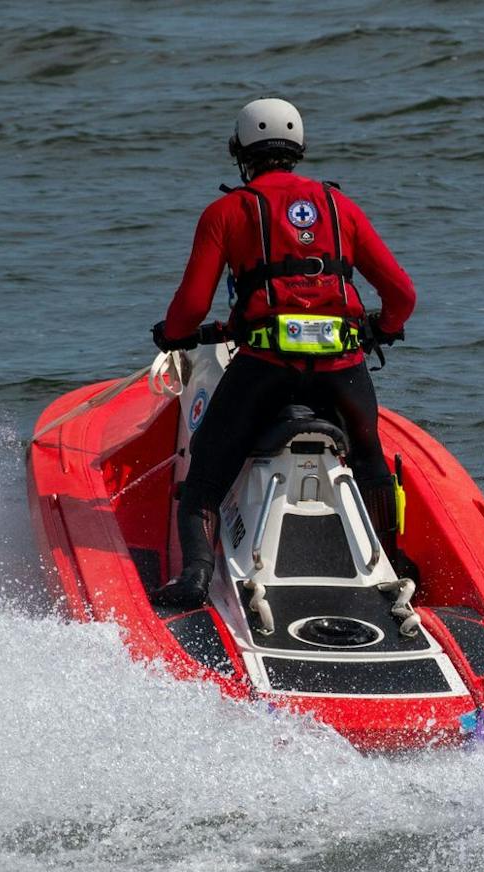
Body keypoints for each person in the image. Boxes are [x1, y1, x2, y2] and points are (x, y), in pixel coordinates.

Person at [150, 97, 416, 608]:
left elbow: (189, 307)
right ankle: (393, 564)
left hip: (265, 369)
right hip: (342, 370)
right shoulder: (342, 207)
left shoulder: (226, 211)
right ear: (299, 149)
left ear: (239, 151)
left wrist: (175, 335)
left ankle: (196, 579)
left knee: (203, 476)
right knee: (371, 460)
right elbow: (402, 295)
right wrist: (383, 328)